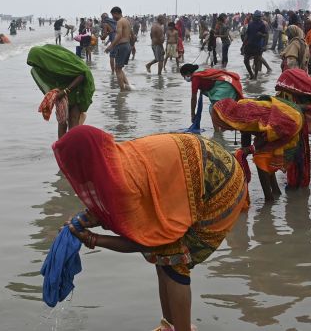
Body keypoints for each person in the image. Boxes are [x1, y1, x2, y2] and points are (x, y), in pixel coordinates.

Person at [56, 126, 249, 331]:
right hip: (200, 173)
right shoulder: (113, 160)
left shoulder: (124, 181)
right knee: (162, 255)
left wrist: (93, 239)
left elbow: (141, 241)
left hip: (222, 186)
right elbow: (117, 212)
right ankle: (169, 325)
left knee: (173, 258)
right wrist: (85, 219)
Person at [211, 95, 303, 200]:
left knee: (260, 159)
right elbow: (245, 133)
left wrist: (251, 149)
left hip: (288, 121)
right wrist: (242, 154)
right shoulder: (237, 113)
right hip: (277, 123)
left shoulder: (244, 114)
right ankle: (275, 192)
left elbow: (266, 134)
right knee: (263, 155)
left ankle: (269, 200)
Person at [27, 44, 96, 139]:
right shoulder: (40, 69)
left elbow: (82, 74)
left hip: (76, 90)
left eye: (37, 63)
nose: (36, 66)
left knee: (73, 120)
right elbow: (47, 86)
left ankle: (74, 146)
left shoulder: (59, 59)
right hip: (61, 94)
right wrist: (51, 97)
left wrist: (65, 91)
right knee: (62, 121)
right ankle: (62, 148)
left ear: (42, 58)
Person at [180, 63, 244, 130]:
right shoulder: (201, 70)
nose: (185, 78)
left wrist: (192, 114)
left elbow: (193, 98)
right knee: (220, 110)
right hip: (228, 82)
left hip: (225, 86)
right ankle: (220, 129)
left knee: (213, 109)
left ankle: (218, 131)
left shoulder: (195, 77)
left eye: (184, 76)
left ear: (188, 73)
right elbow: (207, 86)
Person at [104, 7, 132, 91]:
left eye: (113, 15)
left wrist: (111, 46)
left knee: (117, 69)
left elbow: (119, 36)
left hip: (122, 46)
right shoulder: (126, 20)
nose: (112, 17)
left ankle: (122, 90)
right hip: (127, 45)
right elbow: (131, 33)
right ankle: (127, 86)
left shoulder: (120, 22)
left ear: (116, 13)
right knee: (119, 68)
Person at [243, 11, 267, 80]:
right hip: (249, 45)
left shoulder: (262, 25)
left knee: (256, 62)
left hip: (257, 45)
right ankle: (251, 74)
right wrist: (243, 44)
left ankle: (255, 77)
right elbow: (247, 34)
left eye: (259, 17)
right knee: (245, 60)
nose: (258, 18)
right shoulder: (250, 24)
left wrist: (261, 34)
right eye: (256, 17)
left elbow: (265, 35)